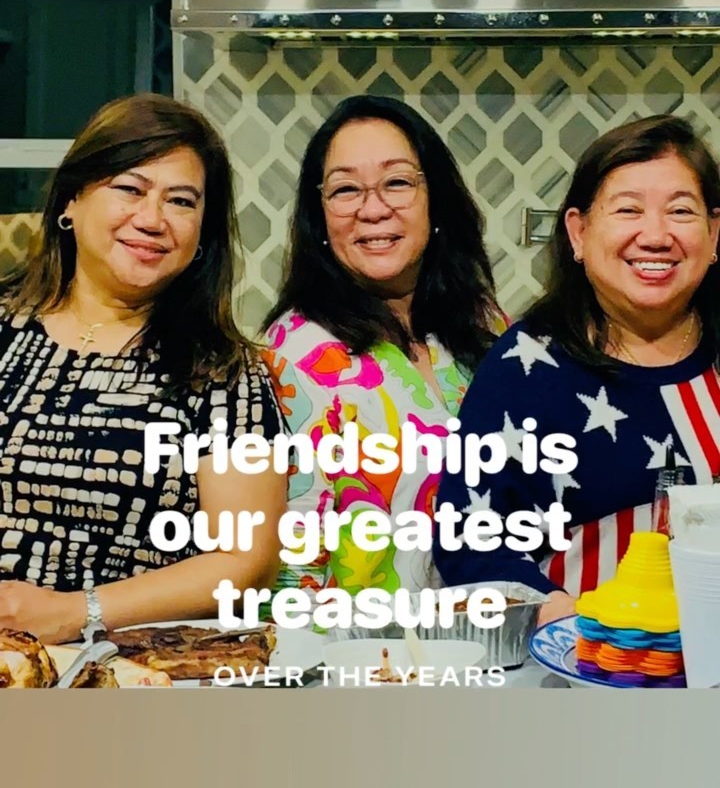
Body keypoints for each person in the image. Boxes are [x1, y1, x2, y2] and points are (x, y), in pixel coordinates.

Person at [0, 93, 285, 643]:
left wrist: (76, 612)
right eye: (130, 189)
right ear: (71, 201)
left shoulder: (224, 373)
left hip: (132, 667)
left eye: (181, 201)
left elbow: (246, 561)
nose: (152, 219)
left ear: (201, 235)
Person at [434, 114, 720, 627]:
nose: (656, 235)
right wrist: (583, 625)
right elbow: (469, 544)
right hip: (580, 660)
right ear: (579, 232)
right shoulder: (524, 369)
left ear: (714, 232)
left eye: (681, 211)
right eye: (628, 209)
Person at [263, 94, 507, 596]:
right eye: (346, 189)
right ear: (319, 216)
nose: (373, 210)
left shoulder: (484, 325)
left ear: (436, 199)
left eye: (397, 182)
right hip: (359, 639)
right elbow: (292, 554)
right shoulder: (294, 354)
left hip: (494, 626)